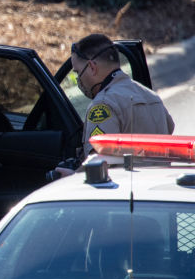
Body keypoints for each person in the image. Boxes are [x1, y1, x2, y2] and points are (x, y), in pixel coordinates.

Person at [54, 33, 175, 178]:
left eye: (78, 72)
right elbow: (170, 128)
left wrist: (71, 177)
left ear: (92, 67)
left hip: (122, 196)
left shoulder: (103, 104)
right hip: (156, 191)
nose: (79, 80)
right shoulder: (151, 96)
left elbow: (97, 166)